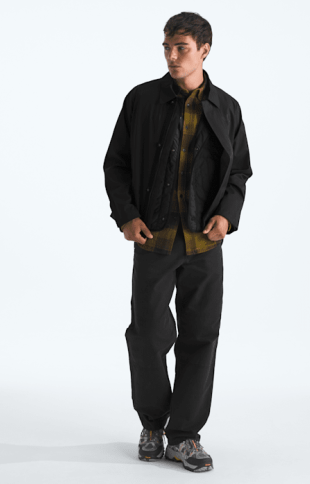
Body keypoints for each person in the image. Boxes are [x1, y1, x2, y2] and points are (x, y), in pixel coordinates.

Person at [103, 11, 252, 473]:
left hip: (205, 243)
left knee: (200, 336)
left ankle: (185, 436)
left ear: (204, 50)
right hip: (155, 238)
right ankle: (152, 424)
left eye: (181, 47)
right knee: (147, 334)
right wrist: (126, 215)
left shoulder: (227, 107)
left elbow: (239, 172)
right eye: (167, 47)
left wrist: (228, 215)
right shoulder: (142, 99)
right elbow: (116, 164)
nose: (171, 55)